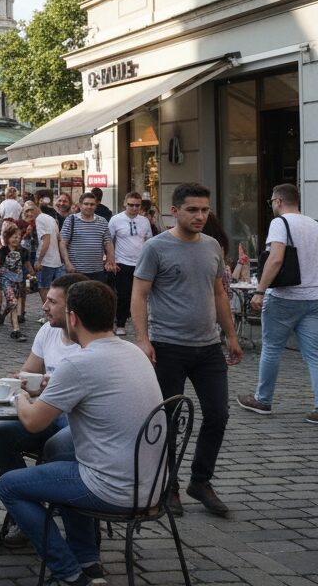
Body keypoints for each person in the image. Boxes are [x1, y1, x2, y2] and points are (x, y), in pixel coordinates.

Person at [0, 280, 164, 586]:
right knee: (61, 459)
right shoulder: (134, 352)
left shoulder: (79, 363)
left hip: (115, 489)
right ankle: (88, 560)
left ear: (73, 318)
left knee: (9, 486)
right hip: (153, 485)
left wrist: (18, 396)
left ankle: (69, 574)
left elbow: (33, 422)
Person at [131, 182, 242, 517]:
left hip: (208, 346)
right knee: (169, 418)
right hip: (168, 346)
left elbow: (219, 293)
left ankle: (200, 480)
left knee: (218, 415)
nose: (200, 216)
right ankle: (169, 486)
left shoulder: (212, 246)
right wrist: (143, 338)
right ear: (174, 211)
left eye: (205, 210)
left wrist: (231, 335)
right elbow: (140, 294)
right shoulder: (156, 247)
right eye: (193, 210)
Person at [0, 273, 89, 548]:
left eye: (51, 302)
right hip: (48, 412)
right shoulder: (48, 330)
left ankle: (69, 530)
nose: (43, 307)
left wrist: (37, 391)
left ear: (72, 311)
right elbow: (28, 371)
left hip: (74, 422)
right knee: (4, 434)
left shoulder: (88, 344)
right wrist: (22, 381)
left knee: (58, 444)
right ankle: (26, 511)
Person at [238, 183, 318, 424]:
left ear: (279, 201)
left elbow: (275, 258)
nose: (272, 205)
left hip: (285, 296)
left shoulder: (280, 223)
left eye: (272, 201)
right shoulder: (314, 224)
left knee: (272, 348)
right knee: (314, 354)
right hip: (313, 297)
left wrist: (260, 290)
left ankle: (263, 399)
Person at [108, 191, 152, 336]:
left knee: (142, 294)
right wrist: (111, 260)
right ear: (124, 204)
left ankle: (140, 322)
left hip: (141, 263)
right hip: (122, 262)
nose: (134, 208)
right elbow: (109, 241)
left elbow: (148, 241)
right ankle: (120, 323)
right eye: (131, 205)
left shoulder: (144, 221)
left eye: (137, 205)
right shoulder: (115, 220)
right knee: (124, 294)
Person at [59, 193, 114, 284]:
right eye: (86, 204)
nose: (89, 207)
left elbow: (108, 242)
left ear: (96, 206)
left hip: (97, 271)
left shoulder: (102, 221)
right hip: (76, 270)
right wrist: (67, 263)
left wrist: (110, 260)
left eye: (92, 204)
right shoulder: (71, 220)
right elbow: (62, 243)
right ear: (80, 205)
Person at [0, 225, 34, 342]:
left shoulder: (23, 251)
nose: (16, 239)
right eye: (13, 237)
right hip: (5, 279)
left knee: (13, 303)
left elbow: (28, 265)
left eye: (18, 237)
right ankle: (16, 330)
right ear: (7, 237)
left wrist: (33, 272)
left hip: (18, 280)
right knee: (12, 302)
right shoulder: (2, 251)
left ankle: (2, 316)